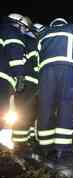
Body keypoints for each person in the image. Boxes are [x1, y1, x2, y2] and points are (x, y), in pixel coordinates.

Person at [37, 18, 73, 160]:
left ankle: (45, 147)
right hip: (67, 69)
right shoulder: (72, 28)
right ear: (64, 22)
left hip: (45, 73)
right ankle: (62, 149)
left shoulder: (43, 33)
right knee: (66, 104)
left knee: (46, 107)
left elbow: (37, 56)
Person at [0, 13, 30, 151]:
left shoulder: (3, 31)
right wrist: (20, 76)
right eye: (24, 28)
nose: (24, 32)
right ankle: (3, 141)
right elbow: (15, 54)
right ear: (18, 24)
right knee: (4, 110)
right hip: (3, 77)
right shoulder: (13, 33)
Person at [12, 18, 43, 148]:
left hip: (27, 82)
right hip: (29, 82)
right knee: (25, 111)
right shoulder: (32, 42)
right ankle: (20, 141)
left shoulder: (25, 40)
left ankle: (27, 138)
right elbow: (36, 63)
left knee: (30, 112)